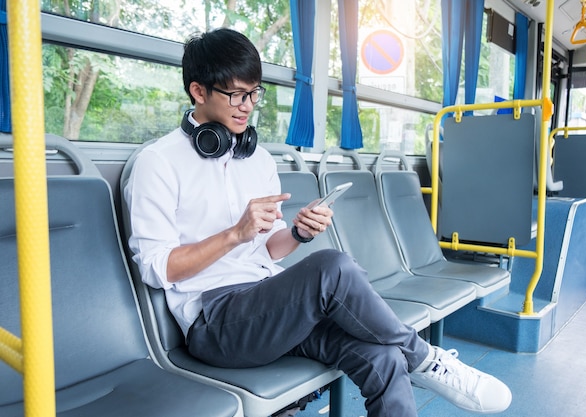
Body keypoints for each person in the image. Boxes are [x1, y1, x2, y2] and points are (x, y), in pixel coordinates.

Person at [124, 28, 512, 417]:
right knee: (333, 266)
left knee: (382, 358)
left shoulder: (256, 161)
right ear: (198, 91)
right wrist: (233, 234)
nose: (247, 106)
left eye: (254, 94)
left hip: (269, 303)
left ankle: (410, 358)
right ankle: (425, 358)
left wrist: (296, 233)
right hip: (215, 323)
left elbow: (266, 249)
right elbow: (159, 270)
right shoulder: (158, 163)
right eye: (236, 95)